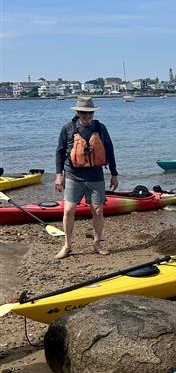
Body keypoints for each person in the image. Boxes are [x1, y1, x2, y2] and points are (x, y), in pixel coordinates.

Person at [54, 96, 118, 259]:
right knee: (68, 210)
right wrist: (58, 175)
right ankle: (67, 245)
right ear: (78, 113)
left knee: (97, 210)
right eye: (84, 114)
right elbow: (60, 152)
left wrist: (114, 174)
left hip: (95, 176)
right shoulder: (68, 128)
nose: (87, 117)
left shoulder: (101, 128)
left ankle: (97, 243)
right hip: (73, 176)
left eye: (90, 114)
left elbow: (109, 151)